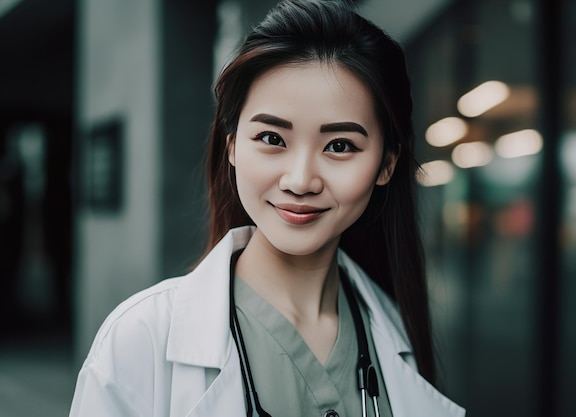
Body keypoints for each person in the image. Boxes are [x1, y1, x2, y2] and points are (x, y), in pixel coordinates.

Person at [69, 1, 465, 416]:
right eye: (272, 139)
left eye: (340, 146)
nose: (299, 181)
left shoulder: (391, 330)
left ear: (386, 164)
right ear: (233, 147)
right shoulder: (139, 340)